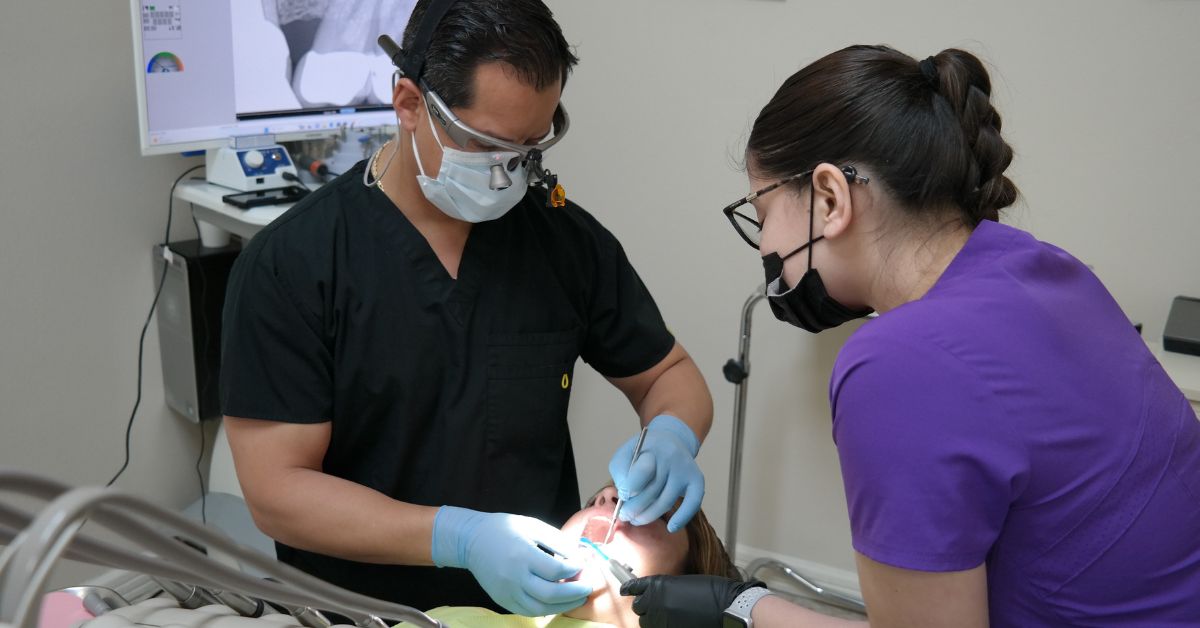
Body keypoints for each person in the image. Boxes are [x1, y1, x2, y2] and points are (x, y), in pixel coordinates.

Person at [622, 45, 1200, 627]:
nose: (767, 247)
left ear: (830, 197)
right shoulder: (1046, 268)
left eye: (763, 211)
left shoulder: (899, 365)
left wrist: (741, 605)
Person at [219, 0, 712, 617]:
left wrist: (670, 433)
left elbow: (669, 376)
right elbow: (277, 493)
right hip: (356, 610)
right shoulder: (294, 265)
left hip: (532, 609)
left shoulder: (562, 243)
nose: (509, 171)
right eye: (487, 144)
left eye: (531, 146)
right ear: (408, 103)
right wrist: (459, 538)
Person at [425, 485, 749, 627]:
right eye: (594, 502)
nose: (609, 496)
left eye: (656, 514)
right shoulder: (449, 619)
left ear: (687, 587)